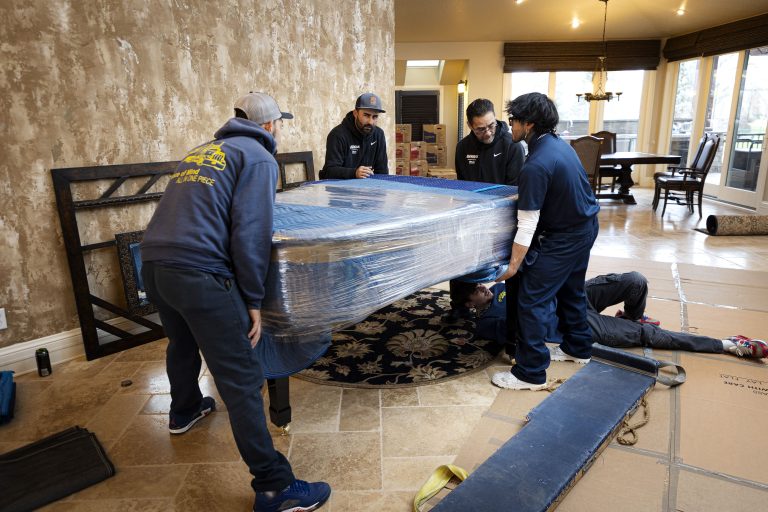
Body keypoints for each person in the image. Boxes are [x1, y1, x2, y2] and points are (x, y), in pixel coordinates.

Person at [140, 92, 331, 512]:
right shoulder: (260, 157)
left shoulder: (203, 151)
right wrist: (253, 298)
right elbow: (250, 233)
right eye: (280, 123)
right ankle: (274, 487)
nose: (281, 130)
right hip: (198, 274)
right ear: (268, 125)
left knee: (183, 343)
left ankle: (184, 410)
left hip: (154, 265)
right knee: (242, 380)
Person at [492, 92, 600, 390]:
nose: (509, 126)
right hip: (586, 226)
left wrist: (513, 266)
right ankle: (578, 347)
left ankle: (530, 373)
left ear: (528, 124)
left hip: (565, 236)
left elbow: (527, 225)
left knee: (531, 299)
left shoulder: (536, 164)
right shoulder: (559, 147)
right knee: (570, 290)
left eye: (512, 120)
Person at [460, 272, 768, 360]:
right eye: (475, 290)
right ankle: (727, 345)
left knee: (636, 281)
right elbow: (528, 332)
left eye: (480, 282)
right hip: (574, 323)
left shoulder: (499, 287)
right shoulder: (489, 324)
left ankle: (632, 318)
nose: (482, 288)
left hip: (573, 297)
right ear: (469, 305)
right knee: (646, 336)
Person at [444, 98, 525, 323]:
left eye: (491, 126)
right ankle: (459, 305)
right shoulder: (463, 147)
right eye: (481, 129)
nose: (488, 132)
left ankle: (508, 308)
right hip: (472, 216)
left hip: (503, 218)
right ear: (471, 126)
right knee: (460, 260)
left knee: (503, 265)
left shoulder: (512, 145)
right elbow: (462, 186)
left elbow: (514, 189)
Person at [319, 92, 388, 179]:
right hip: (340, 189)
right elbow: (329, 171)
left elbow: (382, 171)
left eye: (375, 117)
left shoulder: (379, 135)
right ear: (355, 113)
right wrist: (354, 173)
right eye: (366, 115)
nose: (370, 122)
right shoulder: (337, 135)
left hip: (368, 189)